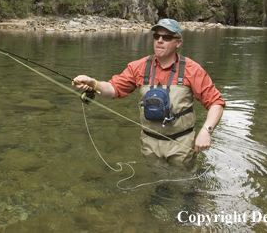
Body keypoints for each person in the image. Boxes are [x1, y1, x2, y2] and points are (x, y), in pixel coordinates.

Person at [72, 18, 225, 169]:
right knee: (159, 181)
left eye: (166, 37)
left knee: (185, 184)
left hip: (182, 143)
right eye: (156, 36)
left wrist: (206, 131)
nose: (160, 40)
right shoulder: (138, 67)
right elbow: (113, 89)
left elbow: (216, 103)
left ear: (178, 42)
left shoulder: (192, 69)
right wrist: (93, 83)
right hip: (149, 143)